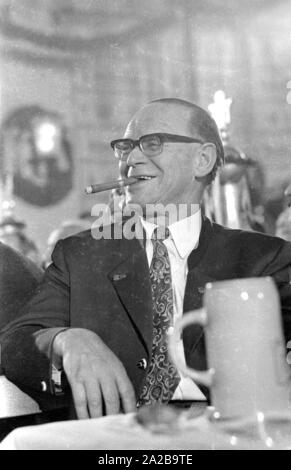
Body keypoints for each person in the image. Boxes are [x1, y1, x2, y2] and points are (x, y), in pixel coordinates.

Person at [2, 98, 291, 420]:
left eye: (152, 144)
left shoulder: (263, 258)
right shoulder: (80, 255)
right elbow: (16, 342)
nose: (131, 159)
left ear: (203, 159)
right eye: (125, 147)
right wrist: (64, 340)